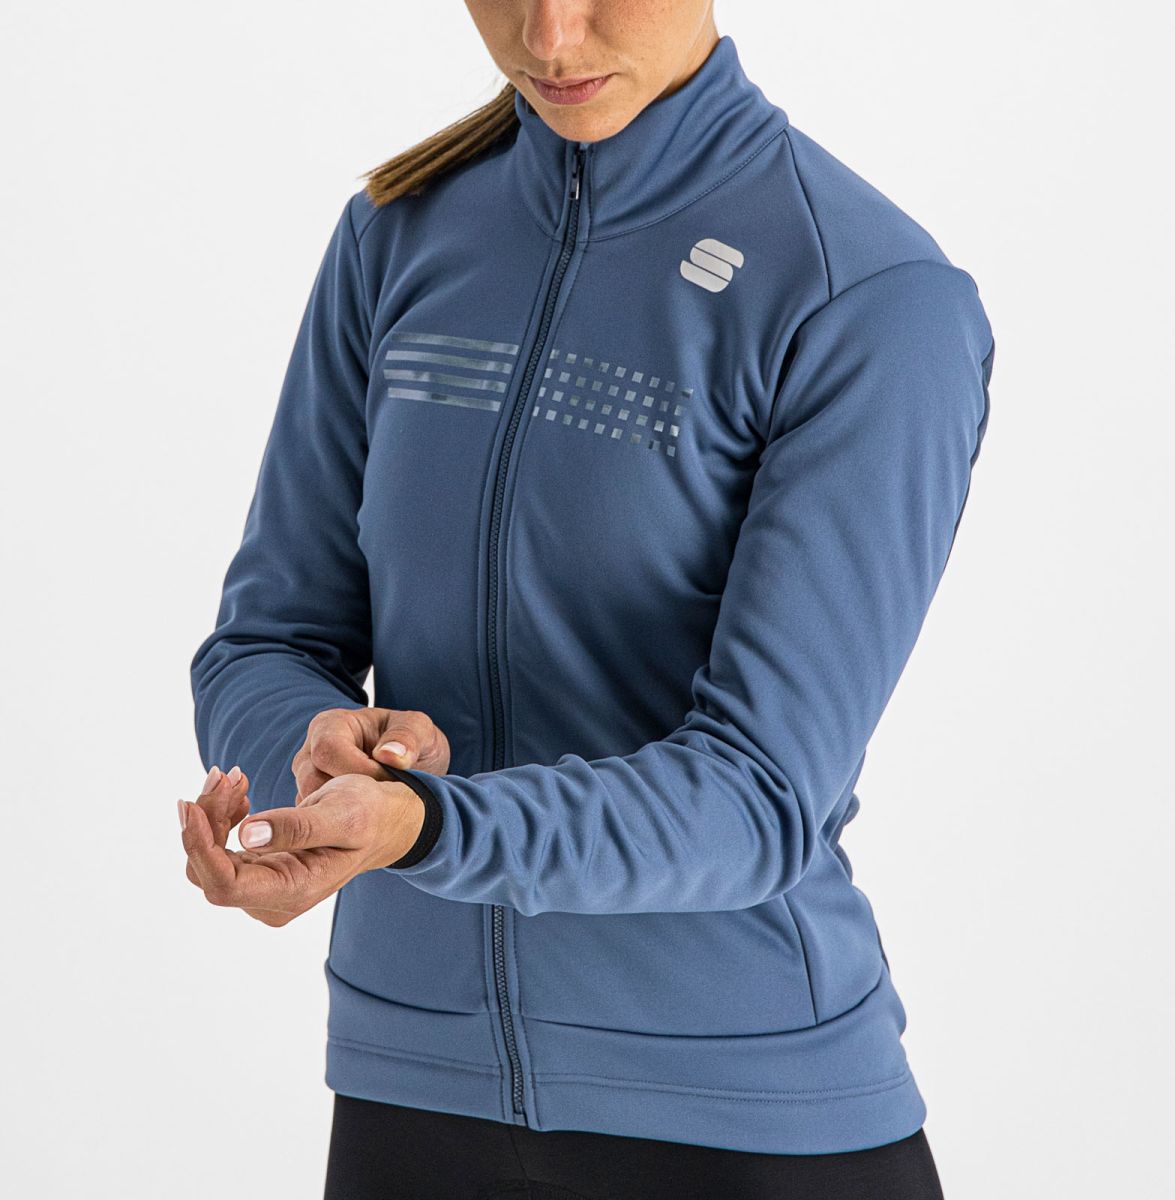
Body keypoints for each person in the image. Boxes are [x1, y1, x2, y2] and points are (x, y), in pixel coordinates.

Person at [181, 3, 994, 1196]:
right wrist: (306, 774)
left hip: (751, 1123)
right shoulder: (397, 234)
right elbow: (266, 638)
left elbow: (760, 797)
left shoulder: (869, 296)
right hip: (411, 1098)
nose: (552, 35)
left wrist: (431, 827)